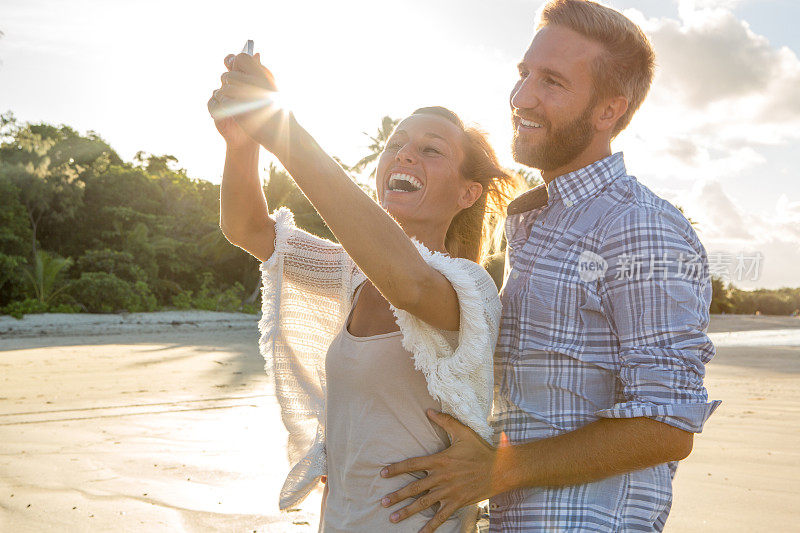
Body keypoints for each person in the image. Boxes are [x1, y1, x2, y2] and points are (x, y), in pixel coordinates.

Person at [378, 1, 721, 531]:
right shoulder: (538, 222)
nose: (522, 97)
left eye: (553, 82)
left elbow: (668, 424)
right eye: (523, 74)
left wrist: (497, 470)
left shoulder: (640, 226)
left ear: (609, 110)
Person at [208, 51, 525, 532]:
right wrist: (241, 142)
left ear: (468, 194)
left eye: (431, 150)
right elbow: (248, 228)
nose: (404, 154)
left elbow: (407, 283)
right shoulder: (347, 274)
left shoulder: (468, 287)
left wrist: (281, 130)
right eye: (396, 144)